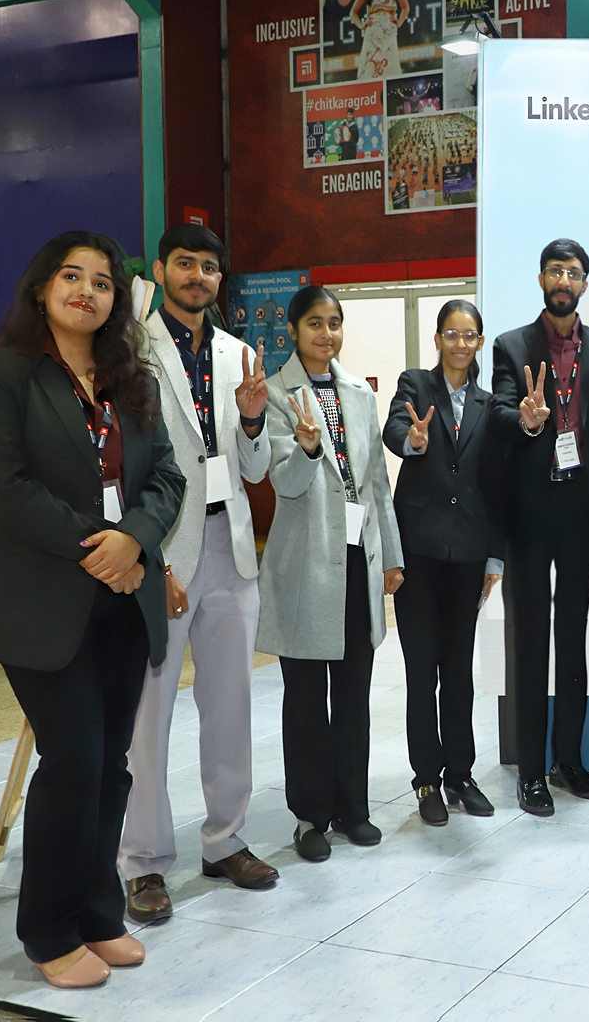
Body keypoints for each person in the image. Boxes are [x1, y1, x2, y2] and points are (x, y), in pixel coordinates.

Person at [0, 232, 185, 987]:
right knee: (75, 760)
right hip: (43, 601)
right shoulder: (0, 375)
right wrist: (103, 546)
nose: (87, 290)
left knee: (110, 767)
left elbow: (168, 478)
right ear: (41, 287)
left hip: (124, 600)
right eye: (71, 275)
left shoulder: (131, 380)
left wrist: (136, 540)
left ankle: (97, 913)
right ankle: (49, 929)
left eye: (102, 281)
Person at [119, 225, 276, 925]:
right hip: (164, 551)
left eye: (210, 267)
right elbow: (126, 466)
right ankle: (144, 861)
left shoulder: (239, 353)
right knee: (149, 714)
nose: (198, 276)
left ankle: (225, 840)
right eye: (185, 263)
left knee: (231, 703)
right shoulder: (133, 352)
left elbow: (255, 468)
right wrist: (148, 558)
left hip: (230, 546)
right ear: (160, 271)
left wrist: (252, 423)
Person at [257, 285, 403, 862]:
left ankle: (352, 808)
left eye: (334, 323)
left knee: (352, 694)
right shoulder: (275, 395)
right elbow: (284, 483)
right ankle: (309, 816)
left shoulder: (359, 394)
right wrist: (310, 450)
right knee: (305, 700)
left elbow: (376, 482)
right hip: (305, 566)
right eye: (314, 323)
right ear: (293, 330)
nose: (326, 333)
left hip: (356, 561)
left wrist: (392, 554)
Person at [489, 239, 589, 817]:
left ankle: (569, 759)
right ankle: (531, 772)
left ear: (584, 283)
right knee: (529, 639)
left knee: (571, 637)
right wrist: (526, 420)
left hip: (579, 511)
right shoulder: (512, 345)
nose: (563, 280)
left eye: (572, 272)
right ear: (541, 280)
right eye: (554, 270)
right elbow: (498, 412)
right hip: (527, 513)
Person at [382, 299, 505, 825]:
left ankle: (461, 774)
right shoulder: (415, 385)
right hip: (419, 554)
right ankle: (426, 779)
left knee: (458, 672)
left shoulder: (488, 403)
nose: (460, 343)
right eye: (451, 334)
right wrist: (412, 441)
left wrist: (495, 555)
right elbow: (393, 430)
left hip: (469, 556)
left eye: (469, 335)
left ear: (480, 342)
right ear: (437, 339)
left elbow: (497, 483)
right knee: (421, 671)